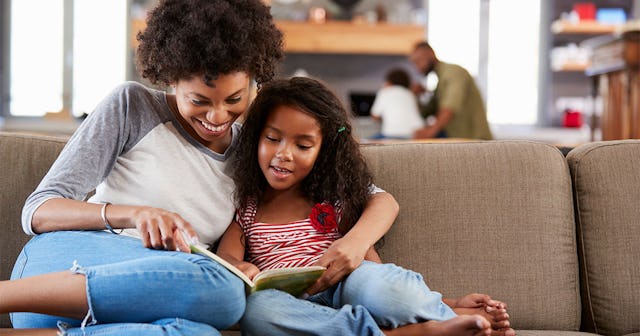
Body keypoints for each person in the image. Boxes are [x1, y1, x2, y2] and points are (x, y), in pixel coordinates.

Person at [0, 1, 400, 335]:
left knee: (205, 328)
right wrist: (134, 214)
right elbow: (38, 210)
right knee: (224, 292)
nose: (217, 116)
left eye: (234, 99)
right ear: (170, 76)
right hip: (54, 273)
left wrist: (350, 245)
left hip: (157, 294)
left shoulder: (257, 151)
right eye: (200, 100)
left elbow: (375, 199)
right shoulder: (132, 107)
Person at [216, 77, 515, 336]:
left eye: (303, 146)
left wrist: (443, 298)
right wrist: (242, 267)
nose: (284, 154)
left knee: (379, 287)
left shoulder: (332, 199)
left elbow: (374, 273)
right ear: (256, 138)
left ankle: (442, 311)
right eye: (272, 139)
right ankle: (417, 330)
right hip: (292, 305)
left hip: (347, 288)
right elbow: (227, 255)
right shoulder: (248, 208)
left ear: (323, 151)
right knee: (258, 312)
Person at [409, 41, 493, 140]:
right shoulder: (440, 82)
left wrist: (429, 132)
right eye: (414, 63)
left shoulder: (453, 72)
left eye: (419, 60)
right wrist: (414, 95)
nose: (418, 67)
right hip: (461, 141)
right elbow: (426, 113)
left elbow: (450, 107)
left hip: (476, 141)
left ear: (430, 53)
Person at [369, 67, 424, 139]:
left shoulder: (384, 92)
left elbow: (374, 116)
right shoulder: (409, 93)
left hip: (390, 134)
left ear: (389, 82)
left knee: (364, 142)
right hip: (413, 134)